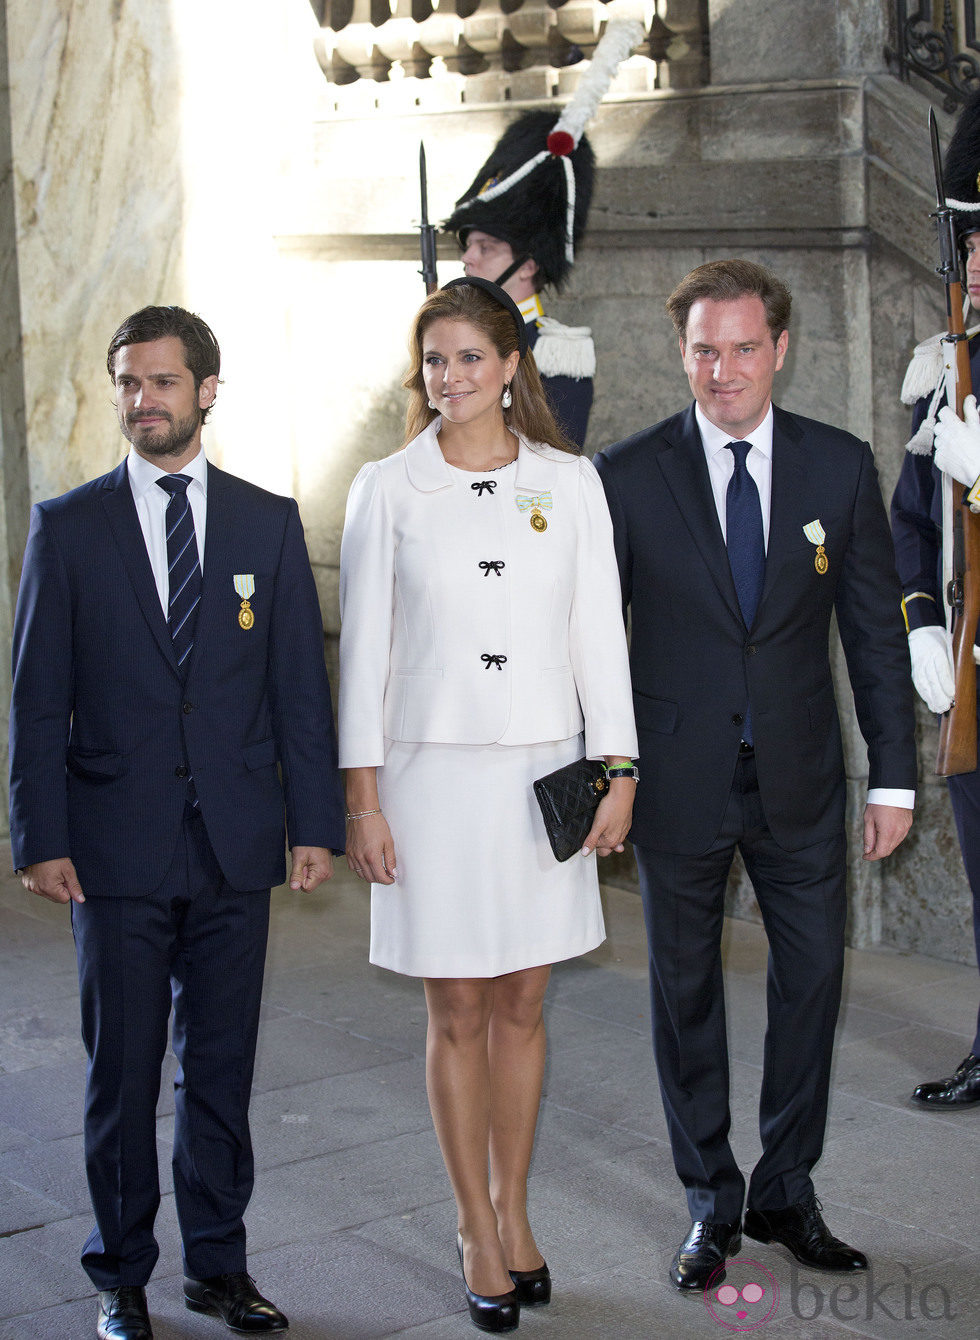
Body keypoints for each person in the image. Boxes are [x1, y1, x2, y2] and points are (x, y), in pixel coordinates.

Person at [8, 306, 345, 1340]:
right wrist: (41, 835)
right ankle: (120, 1275)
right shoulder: (70, 526)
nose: (142, 399)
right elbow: (37, 695)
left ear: (206, 389)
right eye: (127, 381)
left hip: (237, 840)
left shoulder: (263, 521)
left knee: (222, 1068)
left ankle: (217, 1266)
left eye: (162, 380)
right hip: (112, 845)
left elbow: (298, 684)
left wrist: (312, 820)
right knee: (122, 1071)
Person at [594, 259, 917, 1292]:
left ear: (779, 348)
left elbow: (871, 633)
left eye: (741, 347)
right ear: (679, 353)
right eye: (703, 349)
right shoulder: (629, 473)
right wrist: (608, 773)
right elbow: (594, 644)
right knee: (681, 993)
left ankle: (784, 1186)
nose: (722, 368)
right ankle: (709, 1198)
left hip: (801, 780)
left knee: (811, 978)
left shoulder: (834, 465)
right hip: (675, 782)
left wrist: (893, 779)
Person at [338, 276, 637, 1332]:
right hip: (427, 779)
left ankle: (514, 1207)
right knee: (455, 1006)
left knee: (522, 1002)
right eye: (433, 359)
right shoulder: (387, 486)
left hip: (541, 776)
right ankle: (472, 1223)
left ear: (511, 366)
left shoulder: (570, 480)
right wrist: (362, 799)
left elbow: (598, 631)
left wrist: (620, 767)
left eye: (469, 357)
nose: (450, 376)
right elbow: (363, 653)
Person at [890, 89, 980, 1111]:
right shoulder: (938, 371)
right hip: (967, 669)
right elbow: (908, 519)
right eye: (969, 243)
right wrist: (920, 621)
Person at [441, 21, 642, 451]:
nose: (468, 259)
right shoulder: (450, 336)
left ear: (528, 264)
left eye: (487, 247)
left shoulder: (555, 352)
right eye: (469, 245)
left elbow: (556, 467)